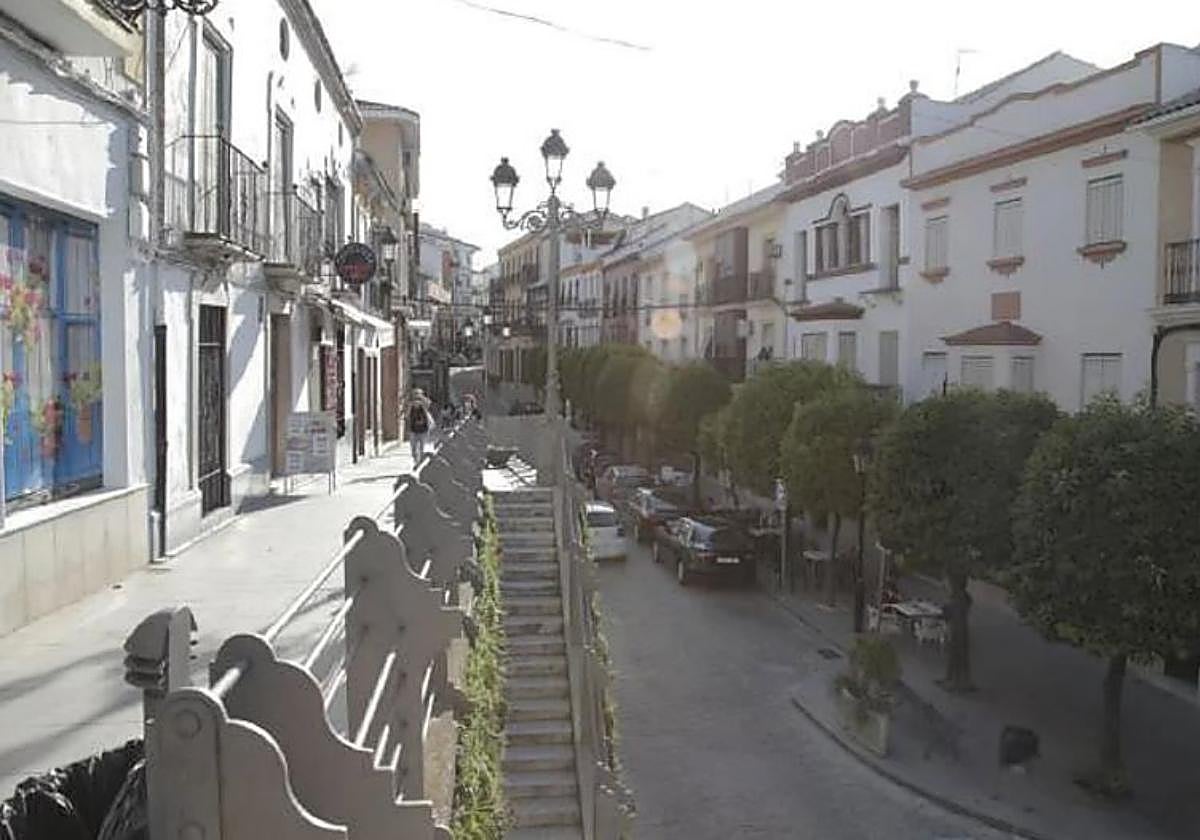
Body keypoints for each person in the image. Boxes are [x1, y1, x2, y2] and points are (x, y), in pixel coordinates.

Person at [406, 389, 433, 463]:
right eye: (415, 394)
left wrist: (422, 401)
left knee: (422, 447)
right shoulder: (410, 405)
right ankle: (416, 460)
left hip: (423, 429)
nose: (417, 396)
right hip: (413, 429)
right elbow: (407, 416)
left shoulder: (424, 404)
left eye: (418, 394)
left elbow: (429, 404)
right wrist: (410, 406)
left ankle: (420, 462)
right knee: (413, 448)